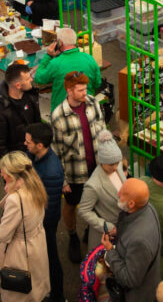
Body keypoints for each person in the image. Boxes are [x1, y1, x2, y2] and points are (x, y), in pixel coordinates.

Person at [48, 71, 106, 263]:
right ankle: (72, 235)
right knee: (71, 204)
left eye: (85, 89)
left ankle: (89, 230)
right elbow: (55, 151)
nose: (85, 93)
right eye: (80, 90)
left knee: (97, 202)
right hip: (74, 173)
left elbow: (103, 130)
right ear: (69, 90)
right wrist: (62, 180)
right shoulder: (58, 116)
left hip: (96, 168)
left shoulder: (92, 103)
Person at [0, 151, 51, 302]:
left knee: (18, 291)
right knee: (35, 284)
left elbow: (3, 234)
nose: (1, 174)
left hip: (20, 249)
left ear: (13, 176)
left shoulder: (15, 199)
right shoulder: (35, 184)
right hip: (37, 242)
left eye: (4, 172)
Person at [101, 179, 162, 302]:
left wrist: (109, 251)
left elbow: (130, 279)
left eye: (122, 193)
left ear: (131, 204)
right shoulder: (147, 207)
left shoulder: (139, 241)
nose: (118, 193)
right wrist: (120, 232)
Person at [24, 123, 66, 301]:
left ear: (39, 145)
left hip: (44, 223)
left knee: (50, 258)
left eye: (28, 142)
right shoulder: (34, 156)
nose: (25, 144)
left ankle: (57, 295)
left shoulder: (51, 172)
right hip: (36, 219)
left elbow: (49, 207)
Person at [33, 28, 101, 112]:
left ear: (60, 43)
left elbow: (39, 79)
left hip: (62, 111)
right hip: (87, 108)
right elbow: (97, 83)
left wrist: (48, 56)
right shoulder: (89, 58)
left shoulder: (55, 63)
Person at [79, 130, 127, 247]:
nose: (116, 167)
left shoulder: (117, 165)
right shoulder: (93, 185)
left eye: (117, 162)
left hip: (124, 227)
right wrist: (107, 227)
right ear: (102, 161)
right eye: (111, 164)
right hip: (107, 234)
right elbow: (84, 211)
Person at [0, 63, 41, 166]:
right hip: (16, 163)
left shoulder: (30, 96)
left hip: (32, 155)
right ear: (18, 85)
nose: (31, 79)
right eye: (27, 79)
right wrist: (9, 170)